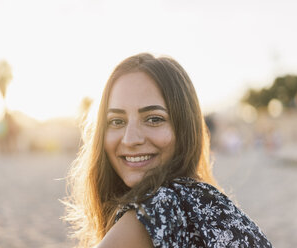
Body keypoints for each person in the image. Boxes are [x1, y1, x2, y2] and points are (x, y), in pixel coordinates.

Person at [65, 53, 272, 247]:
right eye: (117, 121)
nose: (130, 139)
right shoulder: (206, 202)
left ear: (184, 129)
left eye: (154, 119)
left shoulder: (156, 211)